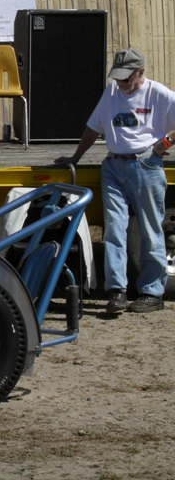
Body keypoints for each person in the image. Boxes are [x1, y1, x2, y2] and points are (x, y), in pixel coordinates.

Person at [54, 48, 175, 314]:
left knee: (150, 230)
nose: (121, 83)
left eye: (126, 78)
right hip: (113, 166)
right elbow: (93, 127)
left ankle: (152, 293)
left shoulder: (158, 93)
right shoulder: (111, 93)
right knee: (114, 230)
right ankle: (116, 291)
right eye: (118, 77)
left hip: (145, 165)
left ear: (141, 72)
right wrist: (76, 156)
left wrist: (164, 144)